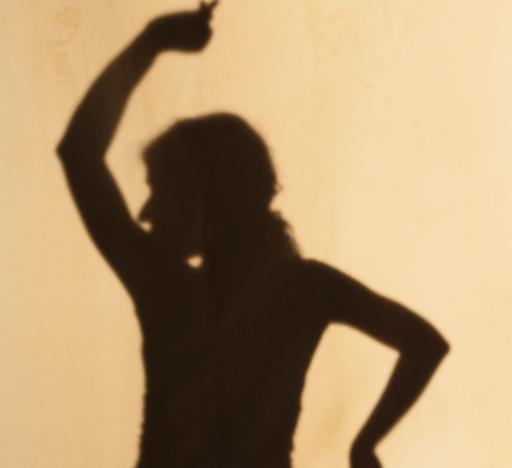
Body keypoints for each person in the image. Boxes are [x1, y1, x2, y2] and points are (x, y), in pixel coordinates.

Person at [55, 3, 448, 467]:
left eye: (159, 191)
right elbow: (424, 344)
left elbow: (79, 154)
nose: (145, 213)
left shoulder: (166, 290)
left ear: (206, 199)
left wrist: (154, 40)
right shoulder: (306, 291)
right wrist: (365, 444)